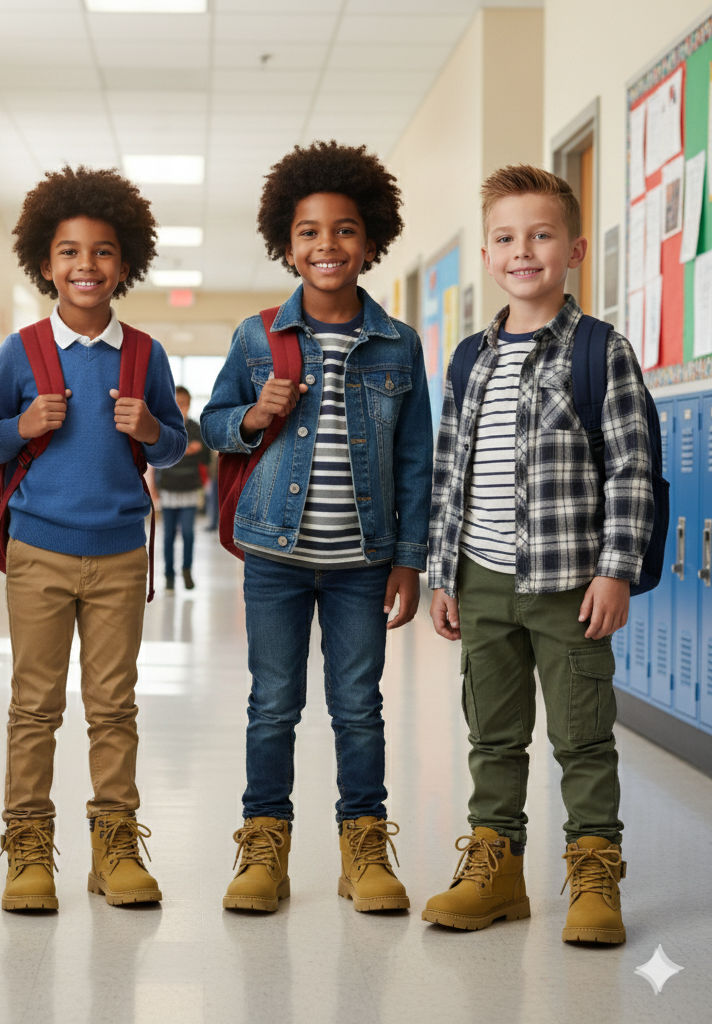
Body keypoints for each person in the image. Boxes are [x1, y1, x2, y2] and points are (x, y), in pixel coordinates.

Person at [200, 141, 433, 913]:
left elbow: (413, 460)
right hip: (275, 554)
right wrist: (250, 416)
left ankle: (362, 843)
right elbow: (212, 424)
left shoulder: (399, 344)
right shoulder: (256, 334)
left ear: (370, 242)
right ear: (285, 242)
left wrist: (408, 560)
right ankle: (264, 845)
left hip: (363, 560)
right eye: (308, 231)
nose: (326, 246)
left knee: (358, 706)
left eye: (343, 230)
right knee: (273, 703)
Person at [423, 165, 652, 945]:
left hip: (567, 583)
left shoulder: (600, 351)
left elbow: (627, 467)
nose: (524, 251)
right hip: (481, 579)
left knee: (582, 733)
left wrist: (617, 567)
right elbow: (448, 471)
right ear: (488, 255)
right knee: (493, 732)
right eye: (507, 238)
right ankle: (497, 865)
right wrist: (441, 574)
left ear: (575, 248)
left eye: (542, 235)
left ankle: (595, 869)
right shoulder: (468, 360)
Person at [0, 165, 186, 911]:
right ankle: (28, 848)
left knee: (113, 706)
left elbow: (172, 449)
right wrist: (20, 425)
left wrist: (155, 428)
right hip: (37, 552)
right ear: (45, 264)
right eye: (69, 252)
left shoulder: (144, 356)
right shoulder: (23, 351)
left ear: (124, 265)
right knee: (34, 706)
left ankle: (114, 845)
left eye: (101, 252)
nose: (85, 266)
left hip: (120, 555)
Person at [154, 385, 208, 591]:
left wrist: (199, 449)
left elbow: (205, 458)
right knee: (168, 536)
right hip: (168, 488)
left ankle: (187, 569)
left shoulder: (195, 428)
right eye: (177, 404)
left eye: (184, 404)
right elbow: (158, 457)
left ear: (189, 405)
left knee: (188, 533)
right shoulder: (164, 426)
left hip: (190, 488)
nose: (180, 407)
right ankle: (169, 574)